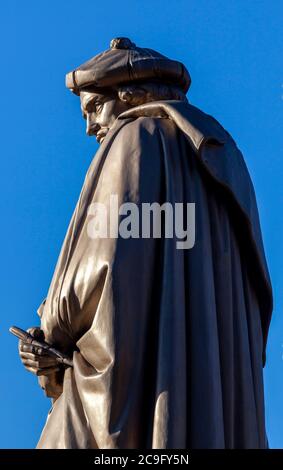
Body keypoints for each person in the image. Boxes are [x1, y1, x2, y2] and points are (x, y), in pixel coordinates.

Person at [19, 37, 272, 448]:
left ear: (130, 95)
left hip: (141, 401)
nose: (90, 127)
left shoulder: (134, 139)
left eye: (94, 108)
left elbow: (99, 271)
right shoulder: (227, 161)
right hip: (217, 409)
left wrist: (48, 333)